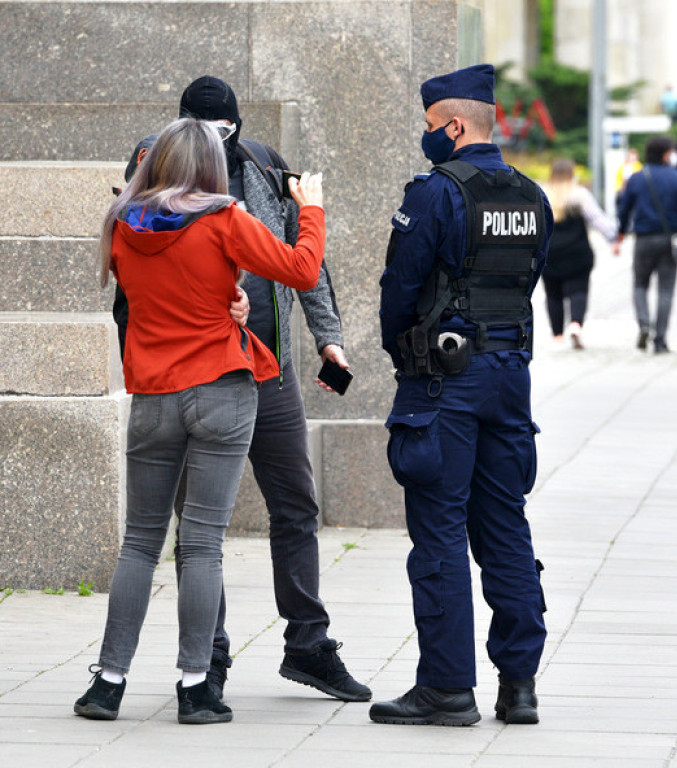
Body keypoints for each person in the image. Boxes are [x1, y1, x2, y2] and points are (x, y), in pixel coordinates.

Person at [115, 76, 370, 704]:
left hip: (267, 366)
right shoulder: (153, 160)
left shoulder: (262, 165)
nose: (215, 141)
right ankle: (208, 659)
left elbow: (304, 262)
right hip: (195, 374)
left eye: (224, 130)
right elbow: (142, 268)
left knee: (295, 505)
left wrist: (328, 338)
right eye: (205, 131)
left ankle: (307, 644)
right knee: (198, 530)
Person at [74, 118, 326, 724]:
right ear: (211, 166)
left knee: (140, 543)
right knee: (203, 544)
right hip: (220, 391)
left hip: (152, 396)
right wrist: (311, 209)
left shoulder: (122, 224)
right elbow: (301, 270)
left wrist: (226, 299)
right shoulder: (225, 218)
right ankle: (195, 688)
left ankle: (107, 683)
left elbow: (161, 293)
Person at [374, 63, 552, 727]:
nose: (425, 136)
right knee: (505, 525)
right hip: (510, 376)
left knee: (441, 531)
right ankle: (519, 685)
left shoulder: (435, 193)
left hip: (446, 380)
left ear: (453, 126)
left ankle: (447, 688)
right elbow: (530, 278)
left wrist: (404, 352)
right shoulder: (531, 195)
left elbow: (399, 290)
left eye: (429, 125)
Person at [614, 135, 677, 354]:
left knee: (640, 284)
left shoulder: (636, 179)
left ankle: (644, 324)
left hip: (643, 239)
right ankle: (660, 340)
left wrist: (620, 233)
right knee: (666, 290)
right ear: (665, 154)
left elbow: (624, 209)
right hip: (670, 239)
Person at [541, 158, 617, 349]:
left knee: (553, 294)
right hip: (578, 251)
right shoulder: (579, 194)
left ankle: (557, 335)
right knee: (578, 290)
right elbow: (597, 219)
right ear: (571, 173)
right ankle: (575, 324)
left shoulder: (543, 193)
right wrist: (613, 238)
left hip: (550, 252)